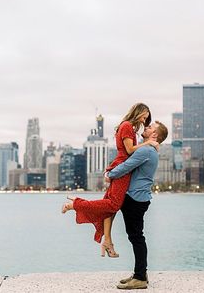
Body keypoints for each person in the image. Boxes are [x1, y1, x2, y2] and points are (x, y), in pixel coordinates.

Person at [61, 103, 158, 258]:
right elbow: (130, 150)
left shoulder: (129, 127)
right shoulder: (127, 126)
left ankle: (108, 242)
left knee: (110, 205)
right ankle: (75, 204)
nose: (145, 120)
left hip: (123, 167)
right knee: (113, 204)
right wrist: (149, 143)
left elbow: (132, 150)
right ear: (138, 112)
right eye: (145, 116)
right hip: (122, 168)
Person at [105, 121, 168, 290]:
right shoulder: (149, 149)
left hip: (135, 198)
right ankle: (140, 273)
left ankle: (140, 277)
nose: (145, 128)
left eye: (149, 128)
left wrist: (109, 174)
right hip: (139, 197)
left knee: (136, 237)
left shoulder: (146, 150)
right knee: (136, 236)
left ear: (154, 135)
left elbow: (126, 166)